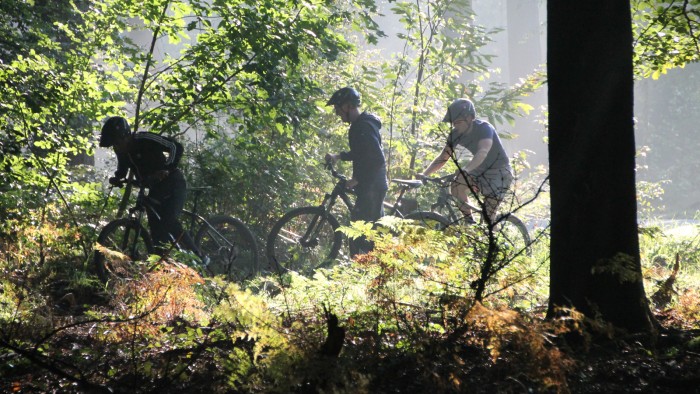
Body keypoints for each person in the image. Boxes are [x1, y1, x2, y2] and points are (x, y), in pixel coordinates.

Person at [99, 116, 200, 258]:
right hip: (156, 188)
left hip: (174, 183)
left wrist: (167, 169)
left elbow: (175, 147)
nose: (116, 147)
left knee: (168, 221)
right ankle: (162, 264)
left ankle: (199, 256)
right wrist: (118, 177)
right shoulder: (122, 151)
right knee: (156, 231)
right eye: (114, 144)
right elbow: (123, 167)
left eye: (117, 142)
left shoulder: (145, 139)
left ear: (126, 136)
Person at [419, 98, 513, 224]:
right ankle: (470, 223)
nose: (455, 125)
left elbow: (482, 152)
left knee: (488, 218)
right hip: (480, 170)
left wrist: (466, 170)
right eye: (453, 123)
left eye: (458, 122)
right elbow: (443, 157)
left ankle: (495, 241)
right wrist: (424, 175)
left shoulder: (484, 128)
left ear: (470, 118)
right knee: (456, 186)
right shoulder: (455, 134)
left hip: (500, 172)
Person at [324, 87, 388, 256]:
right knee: (368, 231)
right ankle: (373, 267)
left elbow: (377, 159)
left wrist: (357, 179)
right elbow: (362, 152)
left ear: (349, 106)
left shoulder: (364, 127)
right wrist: (338, 156)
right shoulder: (360, 125)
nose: (337, 113)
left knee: (359, 232)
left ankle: (368, 269)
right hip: (371, 185)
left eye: (338, 109)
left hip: (373, 186)